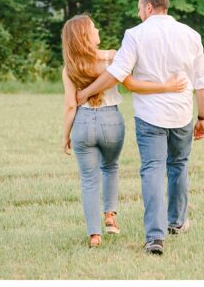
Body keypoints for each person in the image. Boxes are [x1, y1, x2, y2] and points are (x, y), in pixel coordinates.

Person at [77, 0, 204, 255]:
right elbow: (201, 82)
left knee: (152, 170)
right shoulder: (191, 35)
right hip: (182, 114)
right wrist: (203, 117)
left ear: (149, 7)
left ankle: (155, 238)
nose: (139, 13)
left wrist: (86, 92)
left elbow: (117, 73)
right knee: (179, 166)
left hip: (150, 117)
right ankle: (177, 221)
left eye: (140, 8)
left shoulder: (135, 35)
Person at [61, 14, 186, 248]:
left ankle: (94, 235)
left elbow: (70, 105)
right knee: (110, 167)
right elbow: (129, 83)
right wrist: (167, 86)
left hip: (83, 123)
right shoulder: (113, 57)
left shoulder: (70, 67)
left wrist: (65, 135)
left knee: (89, 179)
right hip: (112, 122)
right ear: (86, 35)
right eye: (93, 27)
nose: (97, 29)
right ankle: (110, 216)